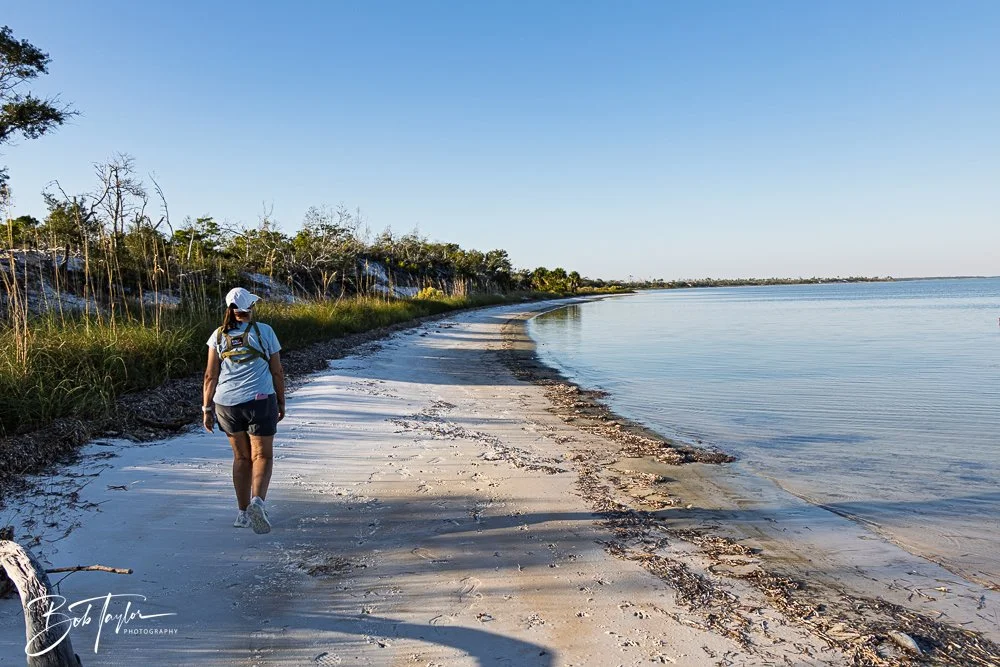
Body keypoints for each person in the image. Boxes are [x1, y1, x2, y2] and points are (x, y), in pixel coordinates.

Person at [202, 287, 285, 534]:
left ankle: (242, 513)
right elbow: (277, 371)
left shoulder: (217, 336)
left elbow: (210, 375)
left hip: (226, 403)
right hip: (260, 400)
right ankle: (257, 502)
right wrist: (281, 402)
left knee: (240, 458)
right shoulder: (265, 331)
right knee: (262, 456)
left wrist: (207, 409)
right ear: (250, 308)